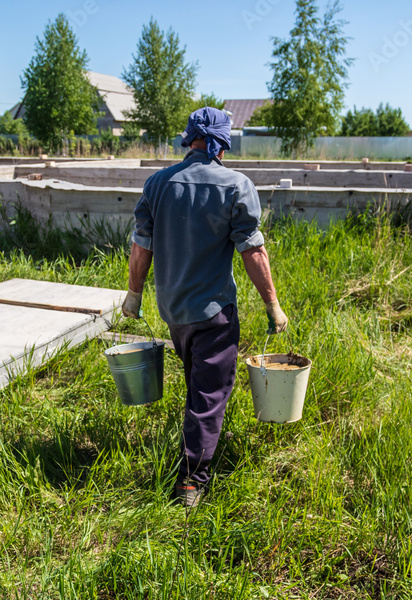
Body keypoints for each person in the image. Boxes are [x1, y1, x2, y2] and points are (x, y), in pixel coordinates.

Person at [121, 107, 288, 507]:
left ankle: (204, 433)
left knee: (199, 383)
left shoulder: (158, 183)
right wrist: (273, 305)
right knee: (209, 393)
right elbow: (254, 251)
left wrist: (134, 294)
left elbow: (141, 245)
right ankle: (192, 480)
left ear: (189, 139)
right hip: (214, 313)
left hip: (174, 312)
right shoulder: (235, 185)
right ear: (222, 145)